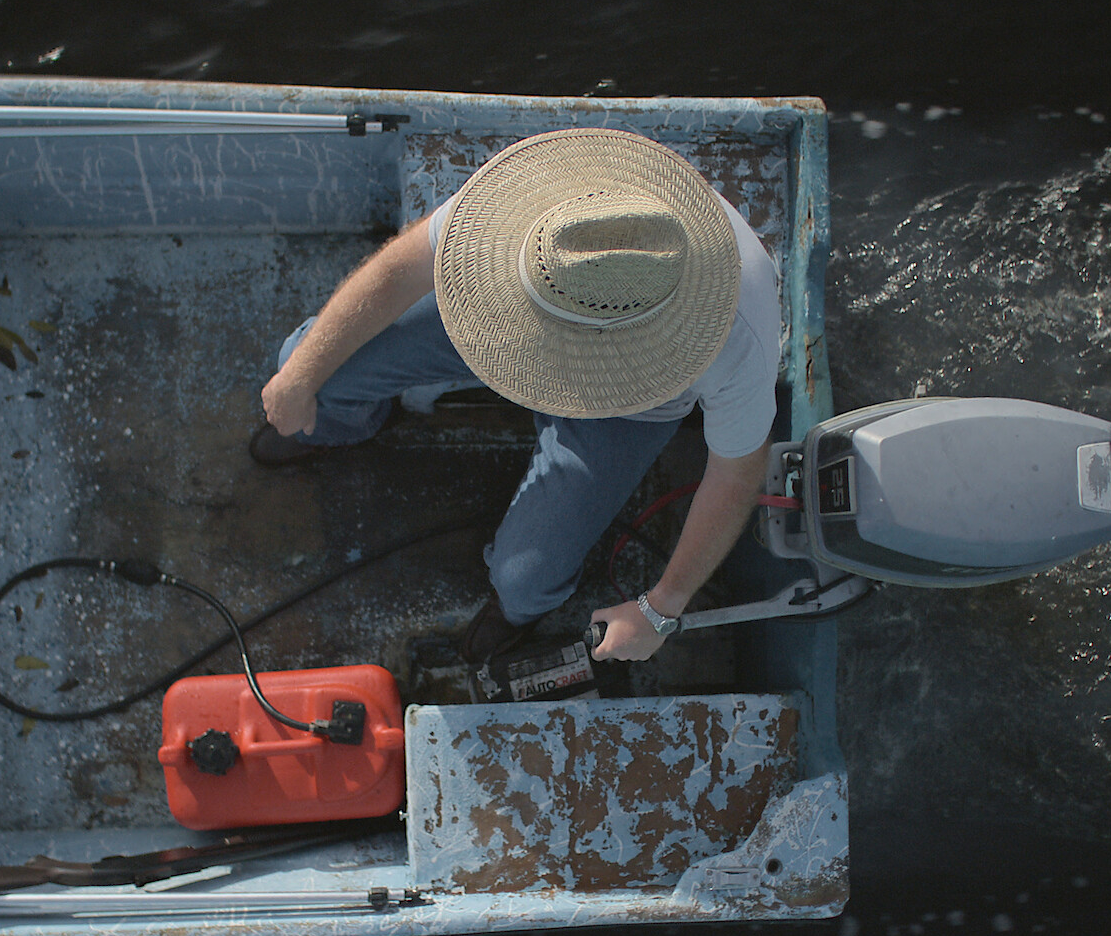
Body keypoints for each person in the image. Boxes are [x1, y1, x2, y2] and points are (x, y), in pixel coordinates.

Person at [251, 128, 777, 665]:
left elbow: (738, 467)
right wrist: (301, 380)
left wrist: (661, 607)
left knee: (524, 579)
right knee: (309, 361)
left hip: (628, 412)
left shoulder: (738, 329)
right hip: (510, 324)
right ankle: (346, 422)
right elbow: (398, 269)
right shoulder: (534, 202)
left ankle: (516, 614)